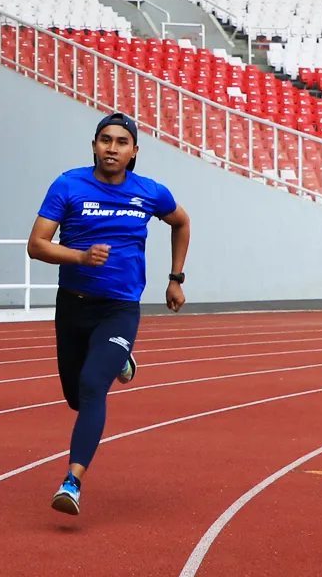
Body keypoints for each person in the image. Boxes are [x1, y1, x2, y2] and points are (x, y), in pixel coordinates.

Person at [27, 113, 192, 516]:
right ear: (94, 145)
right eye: (105, 140)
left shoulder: (150, 192)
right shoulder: (69, 185)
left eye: (121, 142)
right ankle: (120, 357)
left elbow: (181, 222)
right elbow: (37, 245)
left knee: (91, 388)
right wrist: (80, 256)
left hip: (119, 309)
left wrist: (175, 278)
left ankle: (72, 481)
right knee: (74, 397)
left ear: (134, 151)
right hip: (73, 304)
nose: (112, 148)